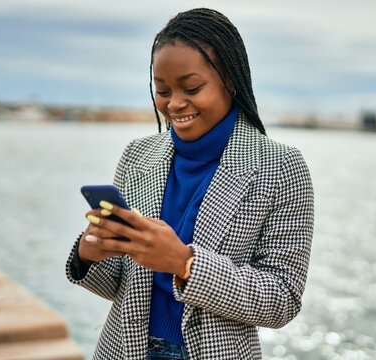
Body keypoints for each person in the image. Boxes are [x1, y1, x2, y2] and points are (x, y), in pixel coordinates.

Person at [66, 8, 314, 360]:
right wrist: (89, 254)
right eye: (162, 90)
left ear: (230, 79)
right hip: (122, 351)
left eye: (192, 87)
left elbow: (282, 299)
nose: (174, 103)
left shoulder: (280, 167)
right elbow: (122, 287)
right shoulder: (137, 156)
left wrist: (185, 263)